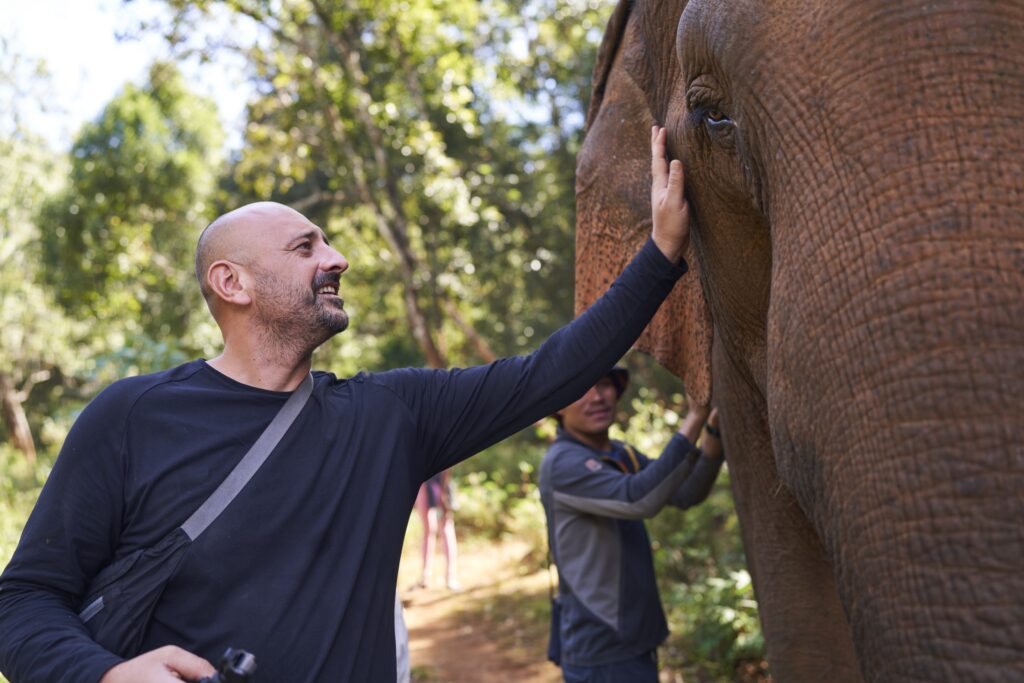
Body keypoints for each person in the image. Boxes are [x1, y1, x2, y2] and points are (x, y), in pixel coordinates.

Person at [0, 126, 689, 683]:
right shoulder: (131, 418)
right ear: (231, 282)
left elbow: (550, 372)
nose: (338, 258)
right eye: (307, 246)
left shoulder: (389, 416)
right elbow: (23, 602)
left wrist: (660, 252)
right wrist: (106, 673)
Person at [539, 366, 724, 683]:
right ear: (558, 405)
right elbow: (639, 499)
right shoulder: (562, 464)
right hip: (602, 649)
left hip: (634, 639)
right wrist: (693, 419)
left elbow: (685, 492)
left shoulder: (619, 452)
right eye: (582, 388)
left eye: (605, 385)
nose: (597, 397)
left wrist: (714, 434)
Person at [412, 470, 460, 591]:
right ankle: (425, 576)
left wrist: (443, 491)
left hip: (441, 479)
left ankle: (451, 577)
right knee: (428, 529)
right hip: (423, 481)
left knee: (446, 527)